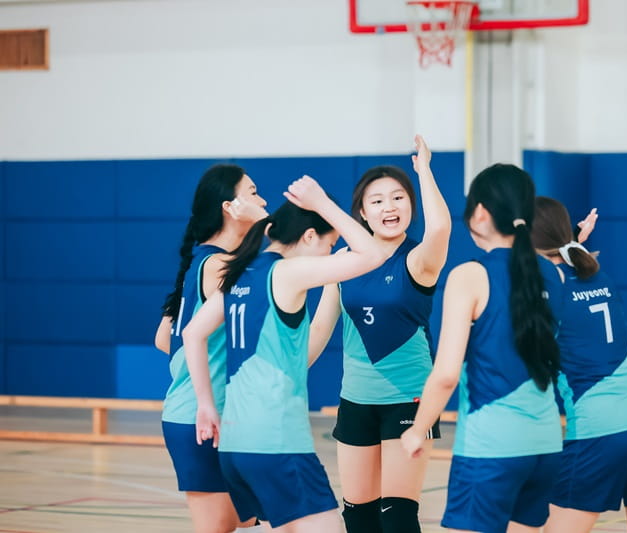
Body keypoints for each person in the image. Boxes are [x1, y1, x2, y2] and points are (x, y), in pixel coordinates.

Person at [182, 175, 387, 533]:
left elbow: (192, 333)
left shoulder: (241, 274)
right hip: (276, 442)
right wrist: (321, 202)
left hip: (235, 447)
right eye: (329, 244)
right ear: (309, 236)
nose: (329, 253)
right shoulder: (288, 272)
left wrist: (205, 404)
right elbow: (373, 254)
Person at [401, 163, 563, 533]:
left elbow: (445, 375)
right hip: (545, 445)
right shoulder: (551, 273)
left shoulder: (469, 275)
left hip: (491, 448)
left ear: (480, 213)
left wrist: (417, 429)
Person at [308, 135, 451, 532]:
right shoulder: (343, 262)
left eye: (398, 198)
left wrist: (424, 171)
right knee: (358, 516)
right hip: (355, 399)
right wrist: (283, 372)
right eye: (377, 200)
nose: (389, 206)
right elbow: (321, 327)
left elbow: (440, 229)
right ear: (362, 213)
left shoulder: (419, 260)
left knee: (398, 516)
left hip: (408, 400)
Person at [530, 196, 627, 533]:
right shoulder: (599, 275)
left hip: (601, 428)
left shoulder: (544, 289)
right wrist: (573, 240)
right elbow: (563, 261)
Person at [155, 163, 268, 533]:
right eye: (253, 192)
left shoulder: (201, 261)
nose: (261, 199)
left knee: (251, 521)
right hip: (199, 420)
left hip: (220, 417)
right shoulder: (219, 265)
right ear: (230, 206)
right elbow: (282, 255)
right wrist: (265, 221)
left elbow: (163, 340)